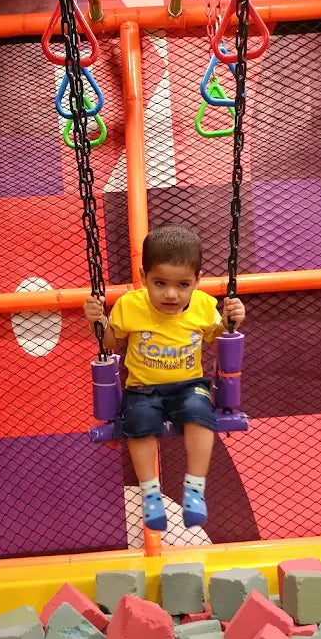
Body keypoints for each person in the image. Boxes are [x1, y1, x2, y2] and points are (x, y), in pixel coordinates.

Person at [84, 224, 245, 531]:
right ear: (144, 277)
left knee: (201, 412)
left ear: (197, 281)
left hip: (188, 386)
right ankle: (150, 494)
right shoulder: (130, 305)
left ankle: (195, 490)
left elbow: (218, 337)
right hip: (143, 389)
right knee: (139, 422)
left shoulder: (203, 305)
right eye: (160, 283)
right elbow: (110, 342)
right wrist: (98, 322)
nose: (171, 294)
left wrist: (232, 321)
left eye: (183, 284)